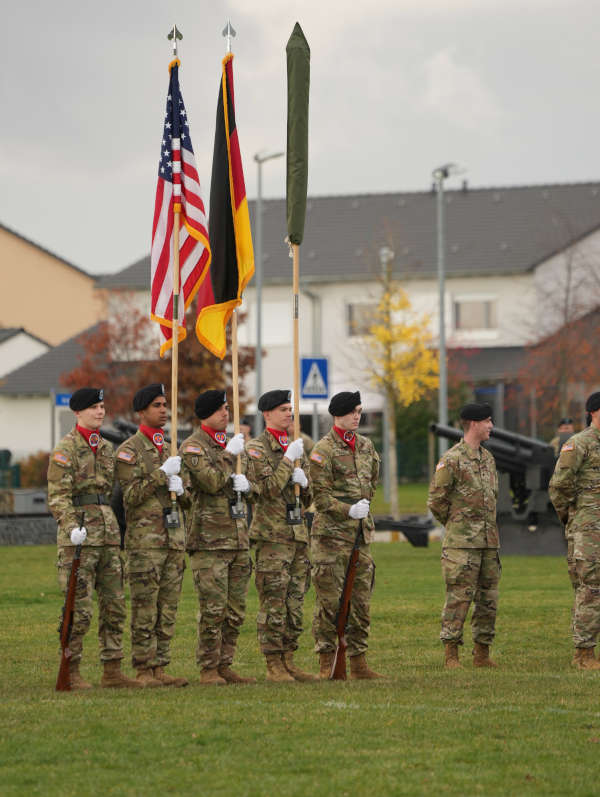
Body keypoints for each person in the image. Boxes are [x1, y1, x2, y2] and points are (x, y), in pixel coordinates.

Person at [47, 387, 140, 689]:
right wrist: (71, 526)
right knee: (79, 608)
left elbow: (114, 491)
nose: (100, 411)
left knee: (114, 606)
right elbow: (58, 496)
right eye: (94, 407)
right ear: (78, 412)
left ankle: (112, 669)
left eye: (102, 406)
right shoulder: (66, 449)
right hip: (80, 536)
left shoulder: (106, 448)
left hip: (108, 535)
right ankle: (70, 669)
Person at [179, 390, 256, 685]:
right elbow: (210, 482)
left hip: (237, 537)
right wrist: (229, 455)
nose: (227, 413)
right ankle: (208, 667)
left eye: (227, 408)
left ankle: (226, 664)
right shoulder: (193, 447)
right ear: (206, 413)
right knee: (212, 609)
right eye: (221, 409)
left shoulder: (231, 443)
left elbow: (246, 485)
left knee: (235, 611)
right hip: (209, 540)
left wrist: (246, 484)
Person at [115, 383, 189, 687]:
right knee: (145, 609)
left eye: (164, 405)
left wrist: (181, 490)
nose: (163, 410)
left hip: (173, 540)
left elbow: (188, 501)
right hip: (146, 544)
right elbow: (129, 495)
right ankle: (143, 669)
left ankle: (160, 666)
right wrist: (162, 474)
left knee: (167, 609)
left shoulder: (169, 447)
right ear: (142, 411)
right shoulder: (129, 450)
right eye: (157, 405)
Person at [308, 390, 382, 680]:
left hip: (360, 538)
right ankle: (328, 662)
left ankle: (358, 662)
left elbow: (372, 481)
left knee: (361, 602)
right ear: (338, 414)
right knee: (330, 603)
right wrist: (348, 510)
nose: (357, 416)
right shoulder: (322, 450)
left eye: (359, 411)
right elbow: (321, 497)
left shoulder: (365, 446)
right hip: (331, 539)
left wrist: (362, 508)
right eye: (352, 412)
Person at [246, 389, 317, 682]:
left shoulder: (296, 446)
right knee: (274, 602)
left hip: (297, 533)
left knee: (294, 602)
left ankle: (289, 659)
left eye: (291, 408)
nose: (290, 413)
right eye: (283, 409)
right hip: (272, 536)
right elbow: (265, 489)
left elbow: (309, 495)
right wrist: (288, 462)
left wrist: (305, 480)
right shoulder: (257, 449)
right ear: (267, 414)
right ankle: (273, 663)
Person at [427, 403, 500, 669]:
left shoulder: (488, 459)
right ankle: (451, 655)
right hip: (461, 545)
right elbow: (436, 501)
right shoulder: (452, 459)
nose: (491, 426)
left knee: (488, 599)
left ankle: (482, 653)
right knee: (458, 598)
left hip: (489, 543)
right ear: (473, 423)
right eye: (488, 421)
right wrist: (458, 525)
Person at [549, 392, 600, 670]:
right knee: (590, 589)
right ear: (593, 412)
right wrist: (572, 517)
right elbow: (558, 486)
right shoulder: (578, 444)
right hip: (588, 532)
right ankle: (584, 654)